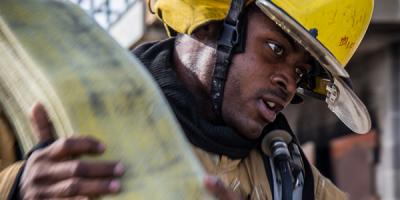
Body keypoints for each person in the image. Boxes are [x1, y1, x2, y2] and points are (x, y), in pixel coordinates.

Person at [0, 0, 373, 199]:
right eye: (275, 49)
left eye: (302, 73)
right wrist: (17, 188)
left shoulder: (295, 184)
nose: (287, 82)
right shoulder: (66, 117)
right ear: (214, 26)